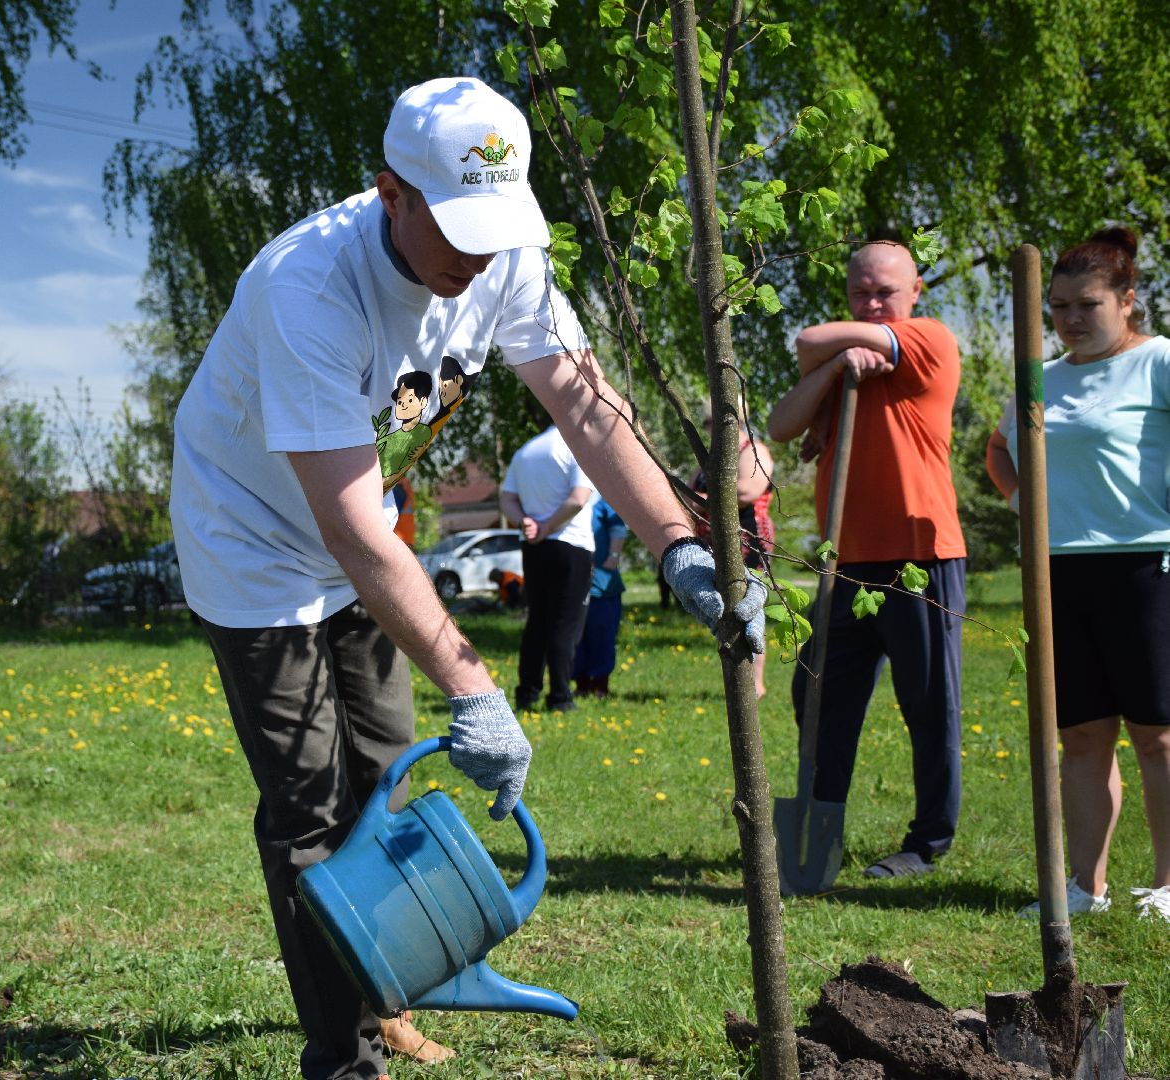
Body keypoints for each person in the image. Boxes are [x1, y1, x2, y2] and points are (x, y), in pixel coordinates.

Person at [169, 76, 765, 1080]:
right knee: (312, 806)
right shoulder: (306, 289)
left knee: (387, 771)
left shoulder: (502, 256)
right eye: (454, 224)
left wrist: (679, 542)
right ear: (390, 193)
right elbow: (350, 531)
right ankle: (346, 1053)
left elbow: (583, 405)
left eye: (494, 226)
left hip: (370, 537)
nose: (476, 254)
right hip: (257, 543)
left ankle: (387, 989)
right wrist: (477, 687)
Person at [984, 227, 1170, 923]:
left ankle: (1167, 885)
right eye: (1057, 306)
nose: (1067, 319)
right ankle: (1085, 889)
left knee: (1158, 735)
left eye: (1085, 304)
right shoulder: (1042, 375)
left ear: (1126, 301)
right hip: (1058, 572)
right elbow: (1000, 449)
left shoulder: (1157, 362)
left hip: (1148, 565)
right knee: (1084, 735)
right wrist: (1023, 504)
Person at [766, 240, 967, 880]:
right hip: (846, 564)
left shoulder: (931, 341)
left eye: (886, 292)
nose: (875, 303)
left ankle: (929, 842)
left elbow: (807, 333)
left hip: (920, 557)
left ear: (915, 293)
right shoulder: (846, 367)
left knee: (929, 703)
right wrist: (832, 371)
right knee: (818, 695)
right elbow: (780, 425)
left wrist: (845, 346)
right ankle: (821, 828)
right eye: (862, 292)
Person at [499, 425, 597, 712]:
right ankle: (561, 697)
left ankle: (527, 694)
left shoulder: (526, 451)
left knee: (537, 621)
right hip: (570, 544)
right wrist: (548, 526)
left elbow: (507, 497)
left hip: (534, 547)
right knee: (566, 623)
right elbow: (579, 498)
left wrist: (524, 522)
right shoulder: (576, 447)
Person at [691, 400, 776, 697]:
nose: (709, 429)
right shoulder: (712, 457)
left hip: (747, 537)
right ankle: (736, 676)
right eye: (707, 424)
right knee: (724, 607)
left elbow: (747, 491)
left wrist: (699, 496)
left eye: (712, 423)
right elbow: (688, 491)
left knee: (748, 606)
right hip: (713, 540)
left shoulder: (753, 452)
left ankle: (755, 683)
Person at [572, 497, 628, 699]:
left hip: (603, 584)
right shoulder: (564, 498)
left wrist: (613, 556)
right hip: (573, 584)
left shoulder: (602, 500)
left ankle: (600, 687)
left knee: (602, 636)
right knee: (576, 639)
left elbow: (618, 528)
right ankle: (581, 685)